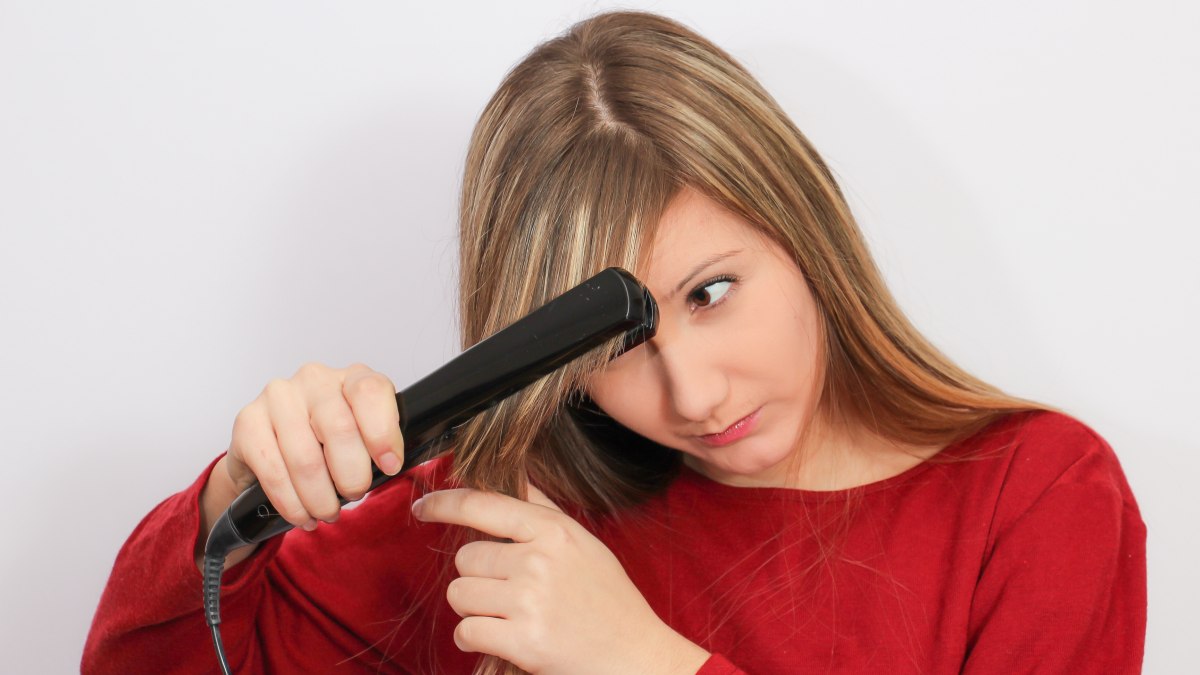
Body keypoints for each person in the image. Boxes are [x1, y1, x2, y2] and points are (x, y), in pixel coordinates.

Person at [82, 10, 1146, 674]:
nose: (693, 393)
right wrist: (235, 503)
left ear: (805, 227)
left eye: (713, 292)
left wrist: (641, 662)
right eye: (619, 345)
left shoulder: (1038, 498)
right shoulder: (504, 520)